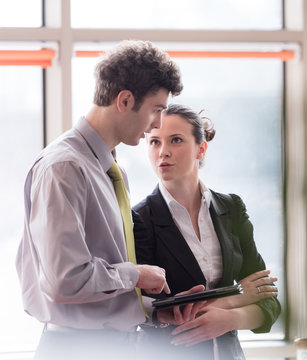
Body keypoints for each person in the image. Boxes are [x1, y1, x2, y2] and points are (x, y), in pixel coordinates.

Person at [15, 40, 187, 360]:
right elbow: (65, 281)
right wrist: (137, 274)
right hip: (76, 349)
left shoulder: (107, 167)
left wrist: (153, 309)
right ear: (124, 100)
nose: (157, 125)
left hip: (106, 345)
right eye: (157, 110)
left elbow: (97, 289)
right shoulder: (64, 168)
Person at [132, 104, 281, 359]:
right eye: (154, 142)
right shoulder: (139, 219)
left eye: (176, 140)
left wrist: (229, 318)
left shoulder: (231, 208)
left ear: (201, 148)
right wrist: (239, 296)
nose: (163, 152)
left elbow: (268, 300)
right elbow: (151, 310)